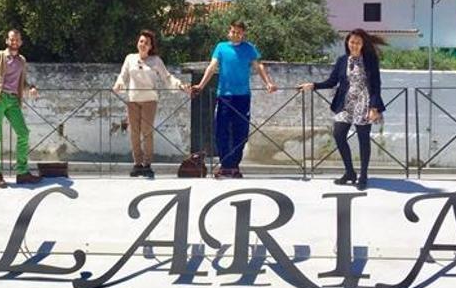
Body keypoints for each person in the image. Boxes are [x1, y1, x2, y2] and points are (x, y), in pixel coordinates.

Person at [298, 29, 385, 190]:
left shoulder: (370, 60)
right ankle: (350, 172)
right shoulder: (342, 60)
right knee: (338, 135)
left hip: (364, 102)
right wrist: (313, 85)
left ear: (363, 44)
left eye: (358, 42)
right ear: (347, 43)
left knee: (363, 139)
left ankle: (363, 176)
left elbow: (376, 86)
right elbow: (332, 82)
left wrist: (374, 107)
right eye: (352, 42)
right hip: (345, 103)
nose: (354, 45)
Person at [192, 20, 278, 178]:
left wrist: (268, 83)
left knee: (241, 132)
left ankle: (234, 166)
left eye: (239, 32)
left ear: (243, 34)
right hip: (224, 96)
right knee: (221, 131)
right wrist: (201, 85)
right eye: (233, 31)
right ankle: (225, 165)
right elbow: (212, 66)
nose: (236, 34)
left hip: (243, 96)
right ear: (228, 32)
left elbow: (258, 66)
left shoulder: (249, 48)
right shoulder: (221, 47)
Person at [113, 30, 190, 178]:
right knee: (134, 132)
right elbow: (123, 76)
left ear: (150, 46)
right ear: (138, 43)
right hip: (132, 99)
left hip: (149, 100)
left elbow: (167, 78)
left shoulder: (155, 61)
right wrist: (119, 84)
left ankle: (147, 164)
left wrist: (180, 86)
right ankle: (137, 163)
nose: (143, 44)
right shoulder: (130, 58)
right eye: (141, 41)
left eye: (146, 43)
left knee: (147, 131)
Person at [0, 29, 42, 188]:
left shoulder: (22, 60)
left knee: (23, 133)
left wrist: (31, 88)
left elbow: (22, 82)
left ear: (21, 42)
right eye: (12, 39)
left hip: (14, 101)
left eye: (17, 40)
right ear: (7, 41)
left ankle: (22, 172)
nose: (14, 42)